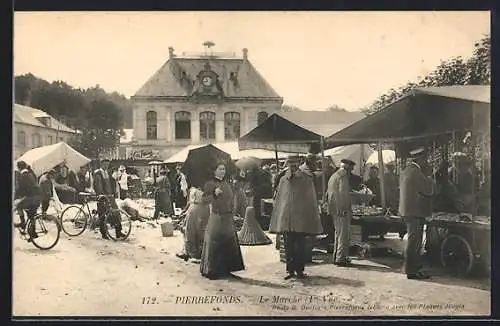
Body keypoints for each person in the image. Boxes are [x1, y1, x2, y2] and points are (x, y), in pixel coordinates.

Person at [269, 155, 323, 280]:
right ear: (287, 164)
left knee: (300, 246)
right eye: (290, 163)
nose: (292, 166)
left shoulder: (306, 179)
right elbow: (279, 199)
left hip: (300, 219)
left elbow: (310, 199)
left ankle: (299, 270)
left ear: (299, 163)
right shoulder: (283, 180)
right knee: (288, 247)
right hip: (287, 219)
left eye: (295, 163)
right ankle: (290, 271)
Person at [200, 162, 245, 280]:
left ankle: (226, 270)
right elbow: (204, 200)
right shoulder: (210, 184)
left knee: (228, 242)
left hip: (228, 216)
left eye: (223, 169)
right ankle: (211, 270)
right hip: (216, 215)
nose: (222, 171)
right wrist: (214, 194)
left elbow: (231, 197)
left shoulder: (227, 183)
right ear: (214, 171)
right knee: (214, 241)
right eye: (220, 169)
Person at [399, 147, 435, 280]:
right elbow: (428, 190)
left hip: (407, 211)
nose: (426, 161)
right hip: (415, 211)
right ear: (419, 159)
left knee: (412, 240)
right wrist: (431, 179)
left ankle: (409, 268)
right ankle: (412, 271)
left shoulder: (405, 171)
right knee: (415, 242)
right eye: (425, 159)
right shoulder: (416, 172)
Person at [327, 159, 356, 266]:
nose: (350, 172)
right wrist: (345, 209)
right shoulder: (343, 176)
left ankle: (336, 256)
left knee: (338, 234)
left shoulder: (334, 176)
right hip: (341, 209)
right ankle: (341, 258)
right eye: (350, 169)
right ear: (347, 168)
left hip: (334, 208)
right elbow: (343, 193)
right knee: (343, 235)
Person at [93, 159, 126, 240]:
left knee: (116, 213)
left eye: (107, 164)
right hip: (102, 197)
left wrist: (114, 192)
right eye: (104, 164)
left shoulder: (108, 173)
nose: (106, 166)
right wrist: (101, 195)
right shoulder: (98, 173)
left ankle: (118, 231)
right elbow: (98, 185)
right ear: (101, 164)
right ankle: (103, 233)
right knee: (102, 215)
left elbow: (112, 183)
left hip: (110, 196)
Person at [176, 187, 210, 262]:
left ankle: (190, 252)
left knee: (191, 231)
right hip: (201, 209)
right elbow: (189, 203)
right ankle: (197, 252)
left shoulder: (194, 189)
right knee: (200, 231)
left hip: (197, 209)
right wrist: (184, 211)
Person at [14, 161, 41, 239]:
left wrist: (15, 197)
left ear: (19, 168)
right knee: (32, 215)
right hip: (37, 197)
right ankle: (33, 232)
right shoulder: (30, 173)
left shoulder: (23, 176)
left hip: (31, 198)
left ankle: (23, 223)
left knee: (18, 206)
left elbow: (20, 188)